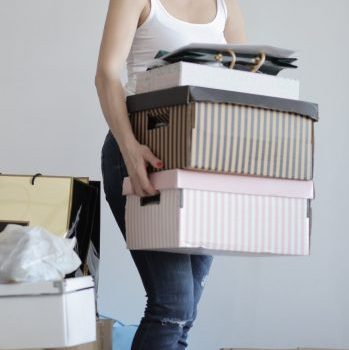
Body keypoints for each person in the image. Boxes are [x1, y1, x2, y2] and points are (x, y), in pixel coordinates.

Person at [95, 0, 246, 349]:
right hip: (141, 154)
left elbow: (241, 87)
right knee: (172, 304)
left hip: (202, 164)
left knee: (185, 311)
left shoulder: (227, 8)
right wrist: (131, 150)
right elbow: (106, 74)